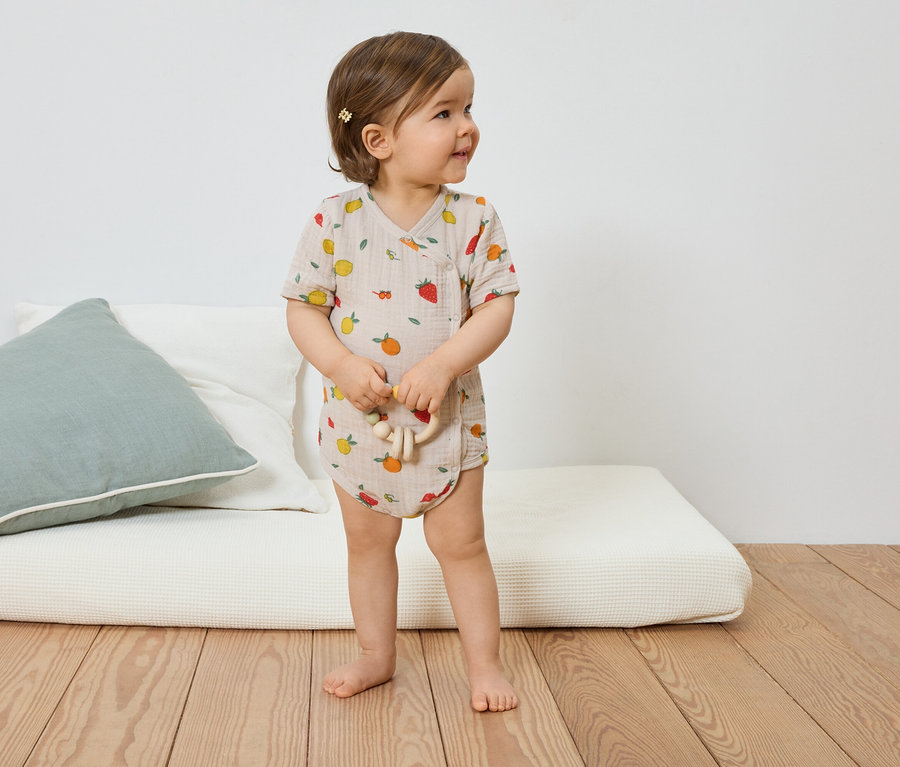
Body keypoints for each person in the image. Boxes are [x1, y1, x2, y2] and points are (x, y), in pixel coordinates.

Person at [282, 31, 519, 713]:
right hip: (363, 422)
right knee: (368, 543)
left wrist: (445, 363)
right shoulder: (335, 221)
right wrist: (340, 364)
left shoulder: (472, 220)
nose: (468, 126)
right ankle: (376, 654)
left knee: (462, 542)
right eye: (444, 113)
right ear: (380, 140)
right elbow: (304, 310)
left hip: (447, 418)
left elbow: (497, 307)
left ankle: (484, 665)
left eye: (469, 108)